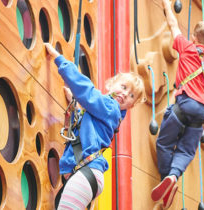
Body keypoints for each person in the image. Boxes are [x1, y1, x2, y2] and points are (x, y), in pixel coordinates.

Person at [44, 43, 146, 210]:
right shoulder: (109, 115)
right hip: (89, 173)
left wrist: (58, 58)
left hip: (87, 172)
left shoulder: (110, 107)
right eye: (124, 87)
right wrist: (75, 104)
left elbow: (86, 91)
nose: (125, 94)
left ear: (130, 106)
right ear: (112, 84)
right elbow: (86, 127)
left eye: (131, 96)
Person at [151, 0, 204, 208]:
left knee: (164, 143)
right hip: (201, 112)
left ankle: (166, 177)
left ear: (193, 37)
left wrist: (167, 5)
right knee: (187, 151)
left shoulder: (187, 47)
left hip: (184, 104)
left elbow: (173, 25)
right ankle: (174, 175)